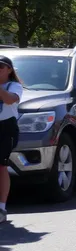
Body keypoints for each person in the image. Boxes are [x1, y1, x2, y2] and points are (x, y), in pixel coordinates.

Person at [0, 56, 23, 224]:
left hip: (5, 129)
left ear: (9, 69)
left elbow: (9, 99)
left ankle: (1, 207)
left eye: (0, 66)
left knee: (1, 166)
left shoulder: (14, 86)